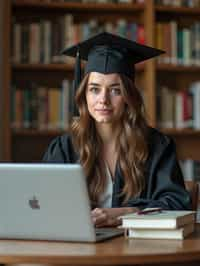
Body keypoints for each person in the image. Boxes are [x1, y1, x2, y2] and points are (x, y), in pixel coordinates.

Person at [43, 32, 191, 228]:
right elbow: (44, 204)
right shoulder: (64, 148)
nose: (103, 100)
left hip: (140, 249)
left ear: (129, 96)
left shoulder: (157, 146)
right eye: (94, 89)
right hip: (79, 250)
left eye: (115, 90)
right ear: (83, 95)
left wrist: (125, 213)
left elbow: (177, 203)